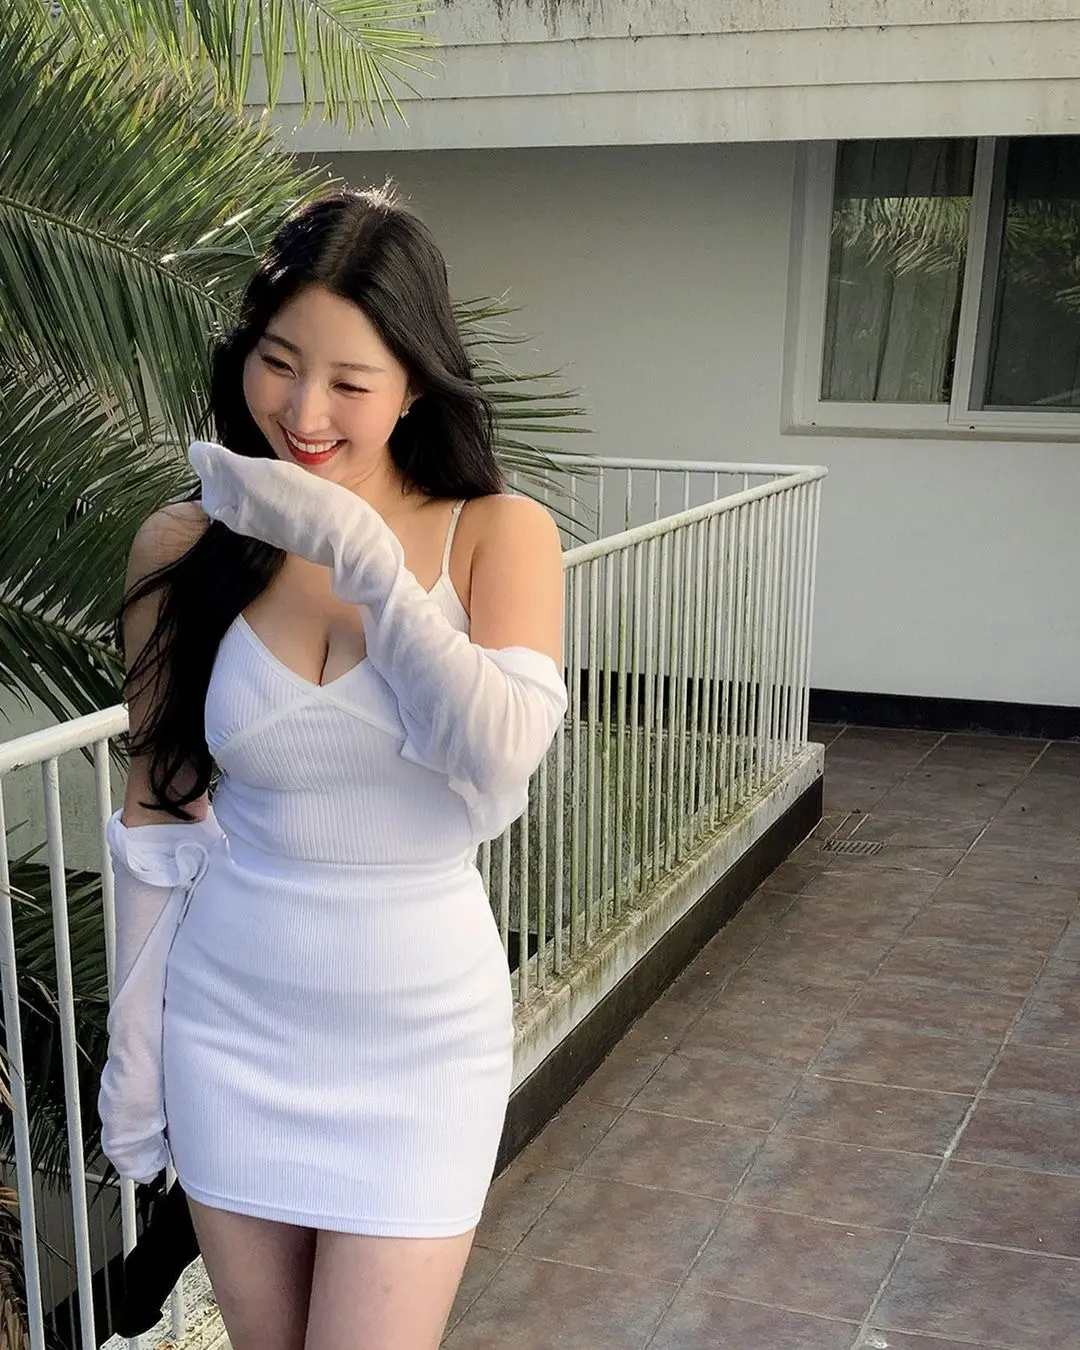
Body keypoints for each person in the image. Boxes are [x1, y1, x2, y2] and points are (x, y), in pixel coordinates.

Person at [97, 185, 567, 1350]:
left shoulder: (496, 533)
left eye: (350, 383)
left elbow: (499, 754)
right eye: (278, 362)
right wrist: (136, 1056)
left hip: (420, 1041)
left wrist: (367, 565)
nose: (303, 412)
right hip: (232, 1022)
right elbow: (157, 809)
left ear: (417, 385)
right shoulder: (184, 545)